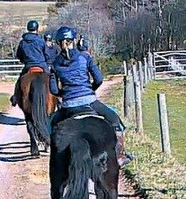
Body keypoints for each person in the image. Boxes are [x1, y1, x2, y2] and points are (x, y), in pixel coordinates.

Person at [48, 25, 132, 167]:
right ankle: (120, 156)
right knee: (115, 120)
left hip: (68, 106)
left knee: (50, 125)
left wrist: (66, 94)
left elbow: (54, 90)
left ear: (58, 43)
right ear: (73, 40)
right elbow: (99, 79)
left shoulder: (55, 64)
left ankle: (57, 161)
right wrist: (89, 89)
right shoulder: (85, 57)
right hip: (90, 101)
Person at [11, 20, 58, 107]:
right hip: (42, 66)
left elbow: (19, 56)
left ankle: (15, 98)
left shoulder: (22, 42)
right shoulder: (41, 41)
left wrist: (24, 60)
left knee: (19, 81)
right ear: (37, 28)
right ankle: (58, 98)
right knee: (52, 79)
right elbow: (47, 55)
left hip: (28, 66)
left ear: (28, 28)